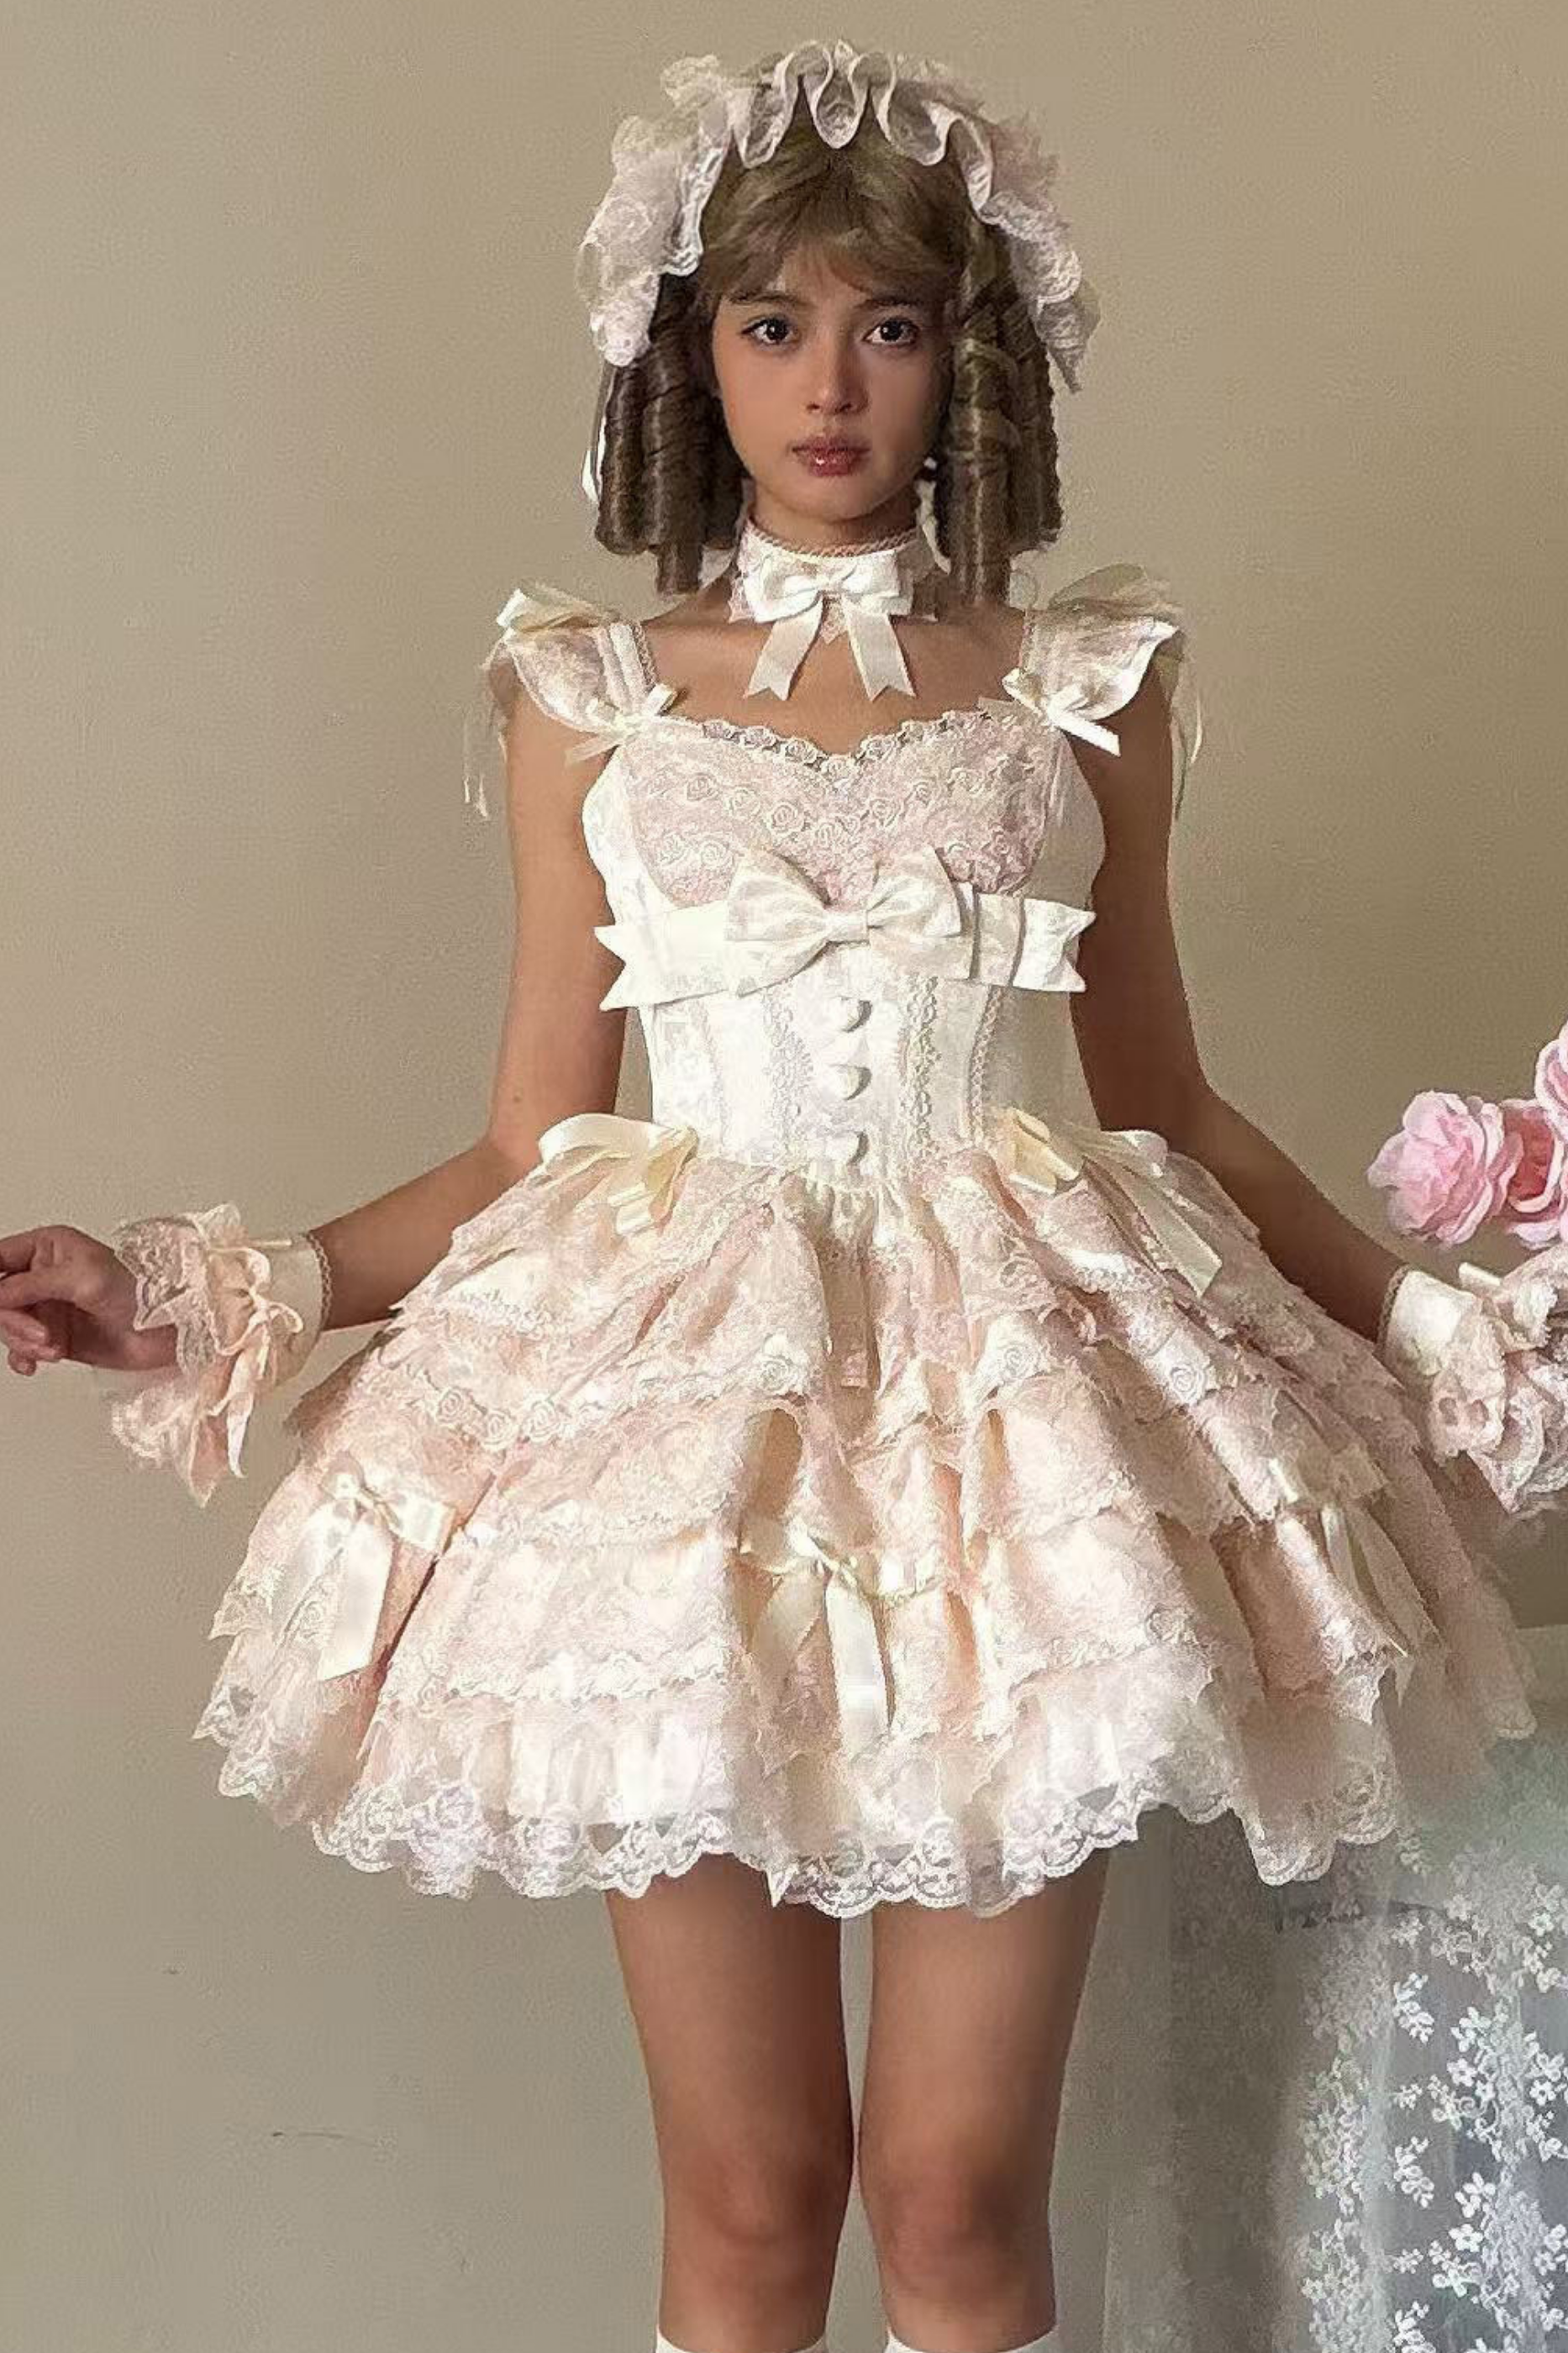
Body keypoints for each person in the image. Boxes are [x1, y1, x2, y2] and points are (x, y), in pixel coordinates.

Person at [3, 39, 1555, 2353]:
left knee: (952, 2203)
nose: (830, 387)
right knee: (750, 2200)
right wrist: (197, 1295)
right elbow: (528, 1144)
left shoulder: (1081, 686)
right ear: (691, 351)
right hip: (685, 1455)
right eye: (772, 323)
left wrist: (1443, 1327)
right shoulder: (590, 696)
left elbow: (1176, 1114)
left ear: (965, 358)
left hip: (1010, 1455)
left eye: (889, 327)